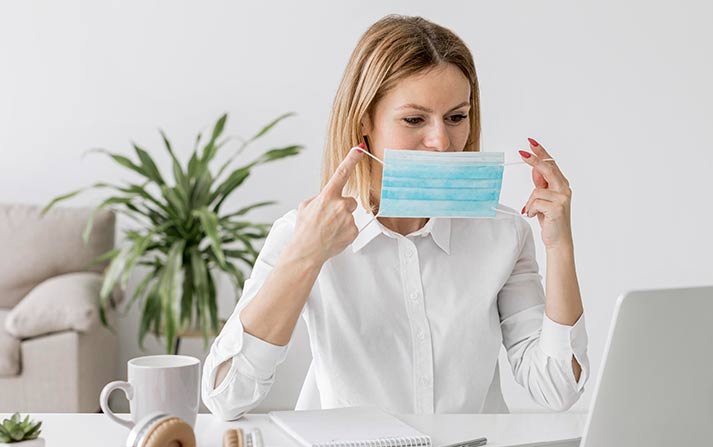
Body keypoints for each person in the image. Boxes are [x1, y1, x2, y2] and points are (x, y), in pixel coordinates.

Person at [201, 14, 589, 421]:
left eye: (456, 117)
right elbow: (226, 396)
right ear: (364, 120)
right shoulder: (304, 232)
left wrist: (560, 246)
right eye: (414, 119)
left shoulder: (504, 235)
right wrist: (305, 256)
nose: (441, 142)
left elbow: (557, 388)